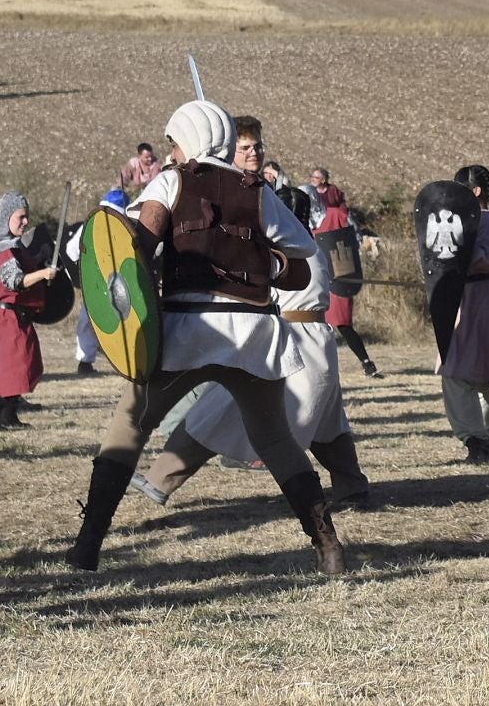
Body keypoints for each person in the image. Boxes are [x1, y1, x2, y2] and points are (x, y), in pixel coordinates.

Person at [65, 98, 347, 575]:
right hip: (255, 332)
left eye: (174, 143)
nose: (171, 152)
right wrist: (261, 259)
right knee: (277, 440)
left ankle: (87, 545)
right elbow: (298, 259)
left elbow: (136, 248)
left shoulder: (172, 180)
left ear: (189, 141)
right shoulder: (257, 191)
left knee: (129, 426)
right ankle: (328, 547)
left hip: (185, 330)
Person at [134, 184, 370, 509]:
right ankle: (352, 487)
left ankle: (159, 480)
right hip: (318, 344)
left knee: (214, 413)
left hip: (287, 341)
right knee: (329, 425)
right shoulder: (311, 248)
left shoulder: (278, 252)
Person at [438, 163, 489, 463]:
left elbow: (480, 259)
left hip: (478, 296)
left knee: (456, 373)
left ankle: (477, 441)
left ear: (474, 192)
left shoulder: (481, 221)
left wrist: (452, 257)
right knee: (479, 374)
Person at [0, 192, 57, 431]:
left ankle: (9, 416)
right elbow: (14, 280)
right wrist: (43, 274)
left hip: (16, 314)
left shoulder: (11, 244)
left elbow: (22, 266)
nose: (25, 222)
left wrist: (41, 258)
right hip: (6, 315)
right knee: (16, 365)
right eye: (21, 217)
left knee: (28, 362)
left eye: (27, 217)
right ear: (7, 216)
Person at [310, 168, 379, 378]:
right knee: (314, 325)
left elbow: (353, 240)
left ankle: (367, 363)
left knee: (343, 324)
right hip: (315, 279)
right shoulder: (301, 218)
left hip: (338, 276)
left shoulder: (338, 215)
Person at [68, 189, 131, 376]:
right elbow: (72, 251)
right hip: (95, 279)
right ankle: (85, 362)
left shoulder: (127, 226)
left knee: (125, 320)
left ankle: (126, 360)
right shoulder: (90, 225)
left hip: (121, 279)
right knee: (89, 320)